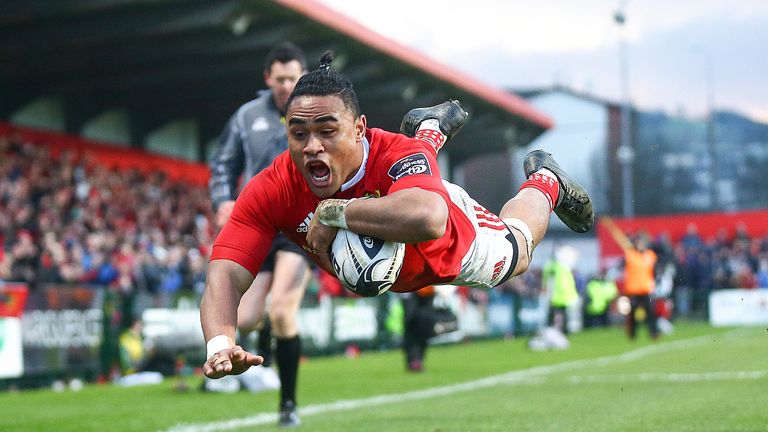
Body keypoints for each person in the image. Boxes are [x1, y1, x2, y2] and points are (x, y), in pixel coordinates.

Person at [200, 53, 594, 401]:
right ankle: (430, 131)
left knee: (519, 253)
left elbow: (429, 217)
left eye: (327, 130)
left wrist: (333, 212)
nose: (311, 146)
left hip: (448, 241)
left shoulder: (392, 151)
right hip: (394, 256)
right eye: (298, 133)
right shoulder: (273, 187)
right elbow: (225, 272)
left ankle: (545, 180)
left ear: (359, 128)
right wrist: (220, 342)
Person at [207, 41, 310, 427]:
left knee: (283, 310)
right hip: (259, 222)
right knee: (245, 318)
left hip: (297, 226)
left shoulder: (311, 112)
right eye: (280, 78)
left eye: (293, 78)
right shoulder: (246, 116)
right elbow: (222, 163)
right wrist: (221, 200)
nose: (287, 85)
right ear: (268, 78)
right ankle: (231, 365)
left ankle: (287, 404)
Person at [601, 217, 659, 340]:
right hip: (633, 290)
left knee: (650, 313)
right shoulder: (631, 255)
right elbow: (621, 239)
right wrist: (610, 225)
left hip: (645, 289)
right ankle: (632, 334)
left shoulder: (650, 255)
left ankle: (653, 333)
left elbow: (654, 272)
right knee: (632, 313)